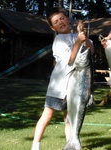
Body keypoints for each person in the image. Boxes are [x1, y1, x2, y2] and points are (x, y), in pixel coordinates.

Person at [31, 7, 93, 150]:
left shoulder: (75, 35)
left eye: (62, 18)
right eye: (56, 21)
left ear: (68, 19)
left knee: (69, 120)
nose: (61, 22)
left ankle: (71, 143)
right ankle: (35, 146)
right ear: (53, 28)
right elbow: (70, 61)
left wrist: (82, 34)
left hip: (72, 89)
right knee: (47, 116)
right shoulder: (58, 41)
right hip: (58, 88)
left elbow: (90, 50)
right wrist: (78, 41)